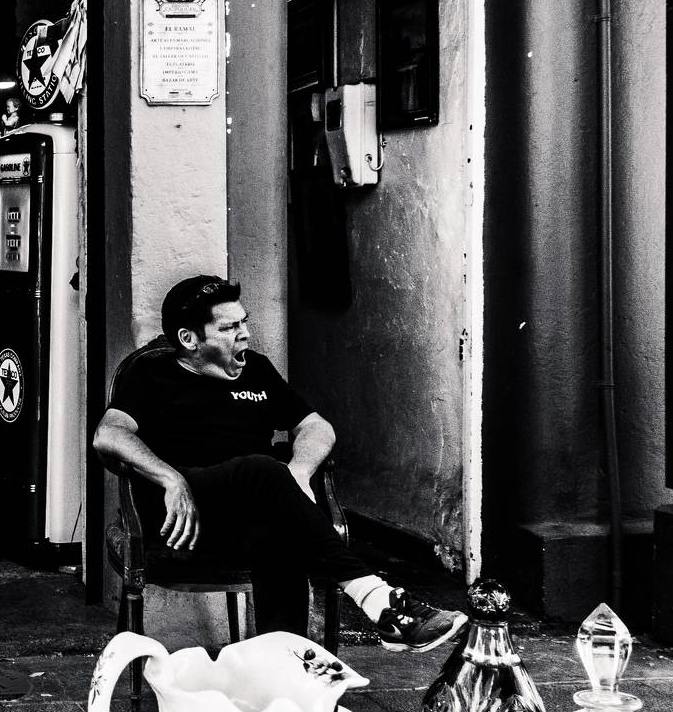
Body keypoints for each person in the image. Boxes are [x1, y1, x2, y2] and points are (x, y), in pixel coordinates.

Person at [92, 274, 467, 652]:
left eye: (244, 321)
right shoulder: (151, 374)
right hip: (181, 514)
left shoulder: (256, 369)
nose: (245, 334)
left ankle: (284, 663)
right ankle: (378, 600)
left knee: (280, 531)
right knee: (262, 469)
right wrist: (171, 478)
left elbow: (316, 427)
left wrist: (298, 474)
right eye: (229, 327)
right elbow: (108, 434)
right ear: (190, 339)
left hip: (248, 509)